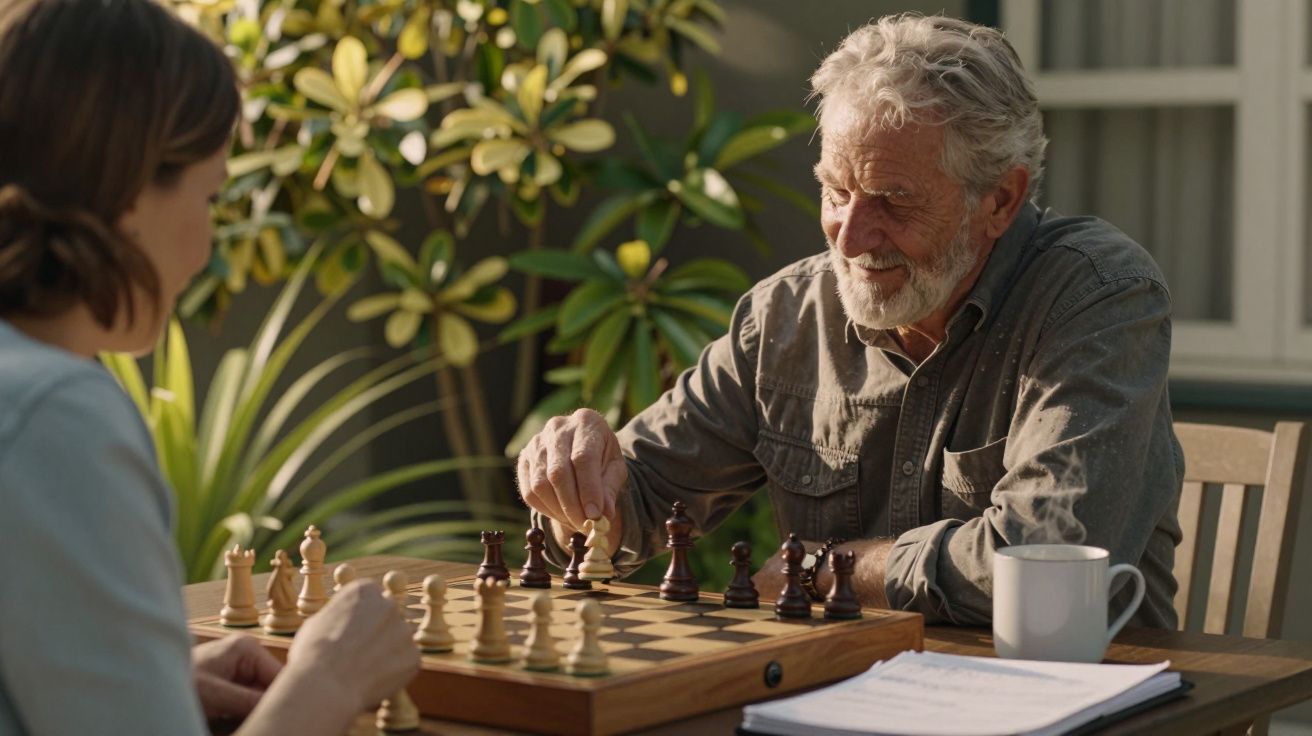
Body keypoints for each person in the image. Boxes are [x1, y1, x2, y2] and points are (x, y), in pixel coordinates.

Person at [516, 14, 1183, 628]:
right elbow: (635, 507)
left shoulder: (1099, 296)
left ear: (1000, 200)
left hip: (1068, 704)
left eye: (893, 201)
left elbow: (1045, 559)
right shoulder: (784, 317)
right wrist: (578, 478)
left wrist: (837, 569)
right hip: (842, 698)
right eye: (836, 191)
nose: (852, 236)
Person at [0, 0, 419, 733]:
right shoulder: (55, 416)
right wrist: (329, 678)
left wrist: (149, 683)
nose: (205, 248)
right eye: (211, 194)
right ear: (131, 193)